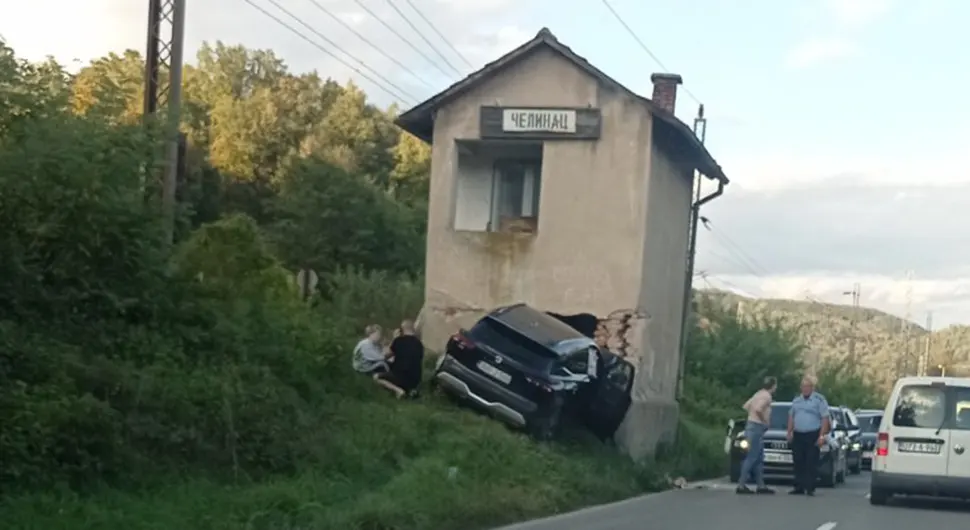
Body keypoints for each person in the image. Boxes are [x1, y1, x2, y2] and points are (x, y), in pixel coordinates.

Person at [787, 375, 830, 496]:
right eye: (803, 387)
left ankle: (810, 487)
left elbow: (824, 418)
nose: (805, 389)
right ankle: (799, 486)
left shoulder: (819, 400)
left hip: (813, 434)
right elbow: (791, 416)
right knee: (798, 460)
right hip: (799, 434)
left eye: (807, 387)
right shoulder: (796, 401)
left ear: (812, 388)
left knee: (811, 461)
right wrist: (789, 431)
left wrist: (822, 436)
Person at [736, 376, 778, 495]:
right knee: (752, 457)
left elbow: (746, 406)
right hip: (756, 427)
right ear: (773, 386)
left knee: (759, 458)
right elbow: (758, 409)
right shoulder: (767, 396)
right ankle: (741, 484)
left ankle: (761, 485)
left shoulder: (758, 394)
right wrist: (764, 420)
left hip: (751, 426)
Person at [374, 319, 424, 399]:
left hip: (400, 376)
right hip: (415, 379)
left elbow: (385, 356)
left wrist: (394, 338)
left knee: (376, 377)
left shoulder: (398, 341)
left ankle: (398, 391)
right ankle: (410, 391)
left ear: (402, 329)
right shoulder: (419, 344)